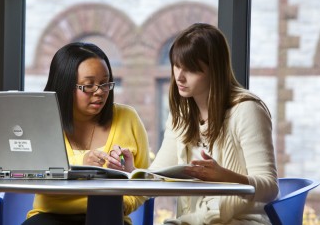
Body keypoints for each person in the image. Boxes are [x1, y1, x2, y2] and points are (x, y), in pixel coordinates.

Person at [110, 23, 279, 224]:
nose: (179, 76)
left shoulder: (247, 110)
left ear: (214, 71)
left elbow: (270, 188)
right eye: (176, 65)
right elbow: (158, 177)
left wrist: (224, 176)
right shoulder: (181, 114)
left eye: (190, 69)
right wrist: (133, 172)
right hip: (191, 221)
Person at [22, 42, 150, 225]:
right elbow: (32, 173)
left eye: (105, 83)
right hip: (49, 218)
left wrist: (124, 200)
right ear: (65, 85)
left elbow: (144, 181)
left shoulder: (128, 118)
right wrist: (81, 166)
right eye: (88, 85)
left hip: (108, 217)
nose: (99, 92)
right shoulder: (43, 121)